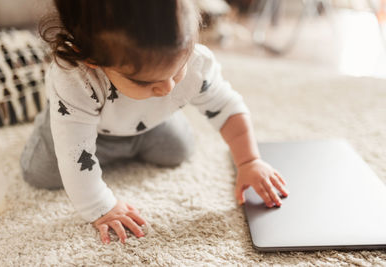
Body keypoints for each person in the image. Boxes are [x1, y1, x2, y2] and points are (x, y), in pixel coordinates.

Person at [20, 0, 290, 245]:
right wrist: (100, 207)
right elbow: (74, 157)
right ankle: (52, 122)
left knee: (178, 150)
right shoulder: (75, 78)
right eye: (146, 82)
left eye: (177, 69)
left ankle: (146, 116)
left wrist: (249, 161)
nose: (168, 87)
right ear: (93, 61)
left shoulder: (197, 62)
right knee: (41, 173)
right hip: (85, 127)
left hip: (147, 123)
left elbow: (227, 107)